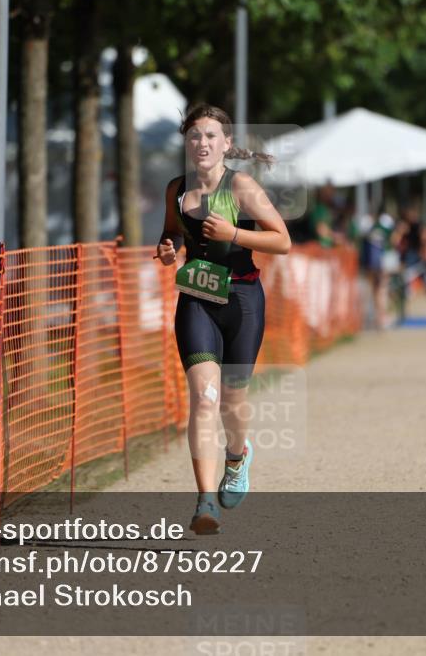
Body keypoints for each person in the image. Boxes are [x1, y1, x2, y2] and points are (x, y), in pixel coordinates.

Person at [155, 103, 291, 535]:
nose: (203, 143)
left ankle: (237, 458)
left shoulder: (242, 187)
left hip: (243, 300)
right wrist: (168, 247)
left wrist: (234, 234)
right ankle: (204, 501)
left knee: (232, 401)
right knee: (204, 399)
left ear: (226, 144)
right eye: (195, 135)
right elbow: (172, 232)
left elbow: (282, 241)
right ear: (187, 142)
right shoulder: (177, 189)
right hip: (196, 297)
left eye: (212, 136)